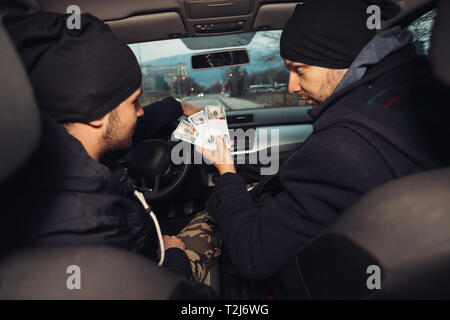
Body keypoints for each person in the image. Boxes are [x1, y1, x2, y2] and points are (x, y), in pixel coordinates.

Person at [197, 0, 450, 280]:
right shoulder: (414, 95)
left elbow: (251, 256)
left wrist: (226, 170)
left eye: (300, 69)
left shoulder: (342, 147)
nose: (291, 86)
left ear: (338, 58)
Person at [2, 12, 220, 281]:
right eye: (134, 102)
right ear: (96, 115)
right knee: (217, 215)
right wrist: (174, 254)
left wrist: (177, 106)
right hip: (162, 272)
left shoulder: (45, 165)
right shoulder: (96, 224)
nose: (140, 113)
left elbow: (130, 125)